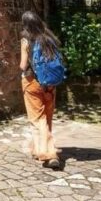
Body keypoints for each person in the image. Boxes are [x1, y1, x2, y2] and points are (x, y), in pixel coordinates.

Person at [19, 10, 64, 170]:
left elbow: (23, 65)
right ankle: (38, 149)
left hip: (32, 83)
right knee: (47, 118)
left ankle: (50, 154)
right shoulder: (49, 37)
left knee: (37, 119)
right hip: (50, 85)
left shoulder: (26, 40)